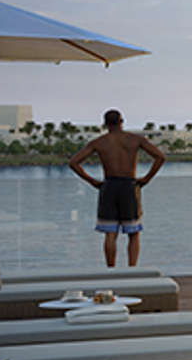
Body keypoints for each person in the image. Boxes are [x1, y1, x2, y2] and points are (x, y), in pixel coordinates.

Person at [67, 109, 167, 268]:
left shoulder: (99, 142)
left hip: (109, 186)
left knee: (110, 234)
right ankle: (132, 270)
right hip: (129, 186)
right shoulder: (135, 139)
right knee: (133, 233)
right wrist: (146, 179)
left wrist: (92, 181)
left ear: (105, 124)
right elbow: (161, 157)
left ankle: (111, 271)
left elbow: (73, 163)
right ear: (122, 121)